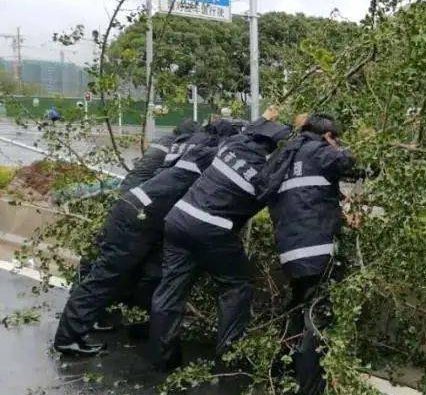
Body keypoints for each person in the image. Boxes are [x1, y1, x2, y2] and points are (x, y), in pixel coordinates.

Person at [52, 118, 240, 357]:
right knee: (106, 276)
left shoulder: (189, 147)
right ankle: (68, 338)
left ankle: (136, 325)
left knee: (142, 274)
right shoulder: (207, 155)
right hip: (138, 218)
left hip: (137, 210)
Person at [149, 109, 291, 371]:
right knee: (238, 284)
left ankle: (162, 357)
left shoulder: (232, 146)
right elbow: (279, 199)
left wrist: (266, 117)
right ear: (270, 148)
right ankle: (229, 355)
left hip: (178, 220)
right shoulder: (263, 174)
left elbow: (248, 130)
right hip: (212, 230)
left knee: (170, 290)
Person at [259, 113, 360, 395]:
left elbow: (308, 197)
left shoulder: (288, 154)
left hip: (291, 249)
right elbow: (351, 163)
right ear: (328, 136)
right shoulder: (318, 150)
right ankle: (309, 391)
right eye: (334, 138)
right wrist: (341, 147)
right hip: (316, 250)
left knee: (298, 309)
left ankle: (281, 372)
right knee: (318, 315)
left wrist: (340, 213)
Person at [78, 120, 201, 334]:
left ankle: (90, 312)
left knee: (101, 259)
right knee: (114, 266)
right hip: (138, 209)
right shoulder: (175, 149)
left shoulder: (164, 142)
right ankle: (89, 316)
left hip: (126, 200)